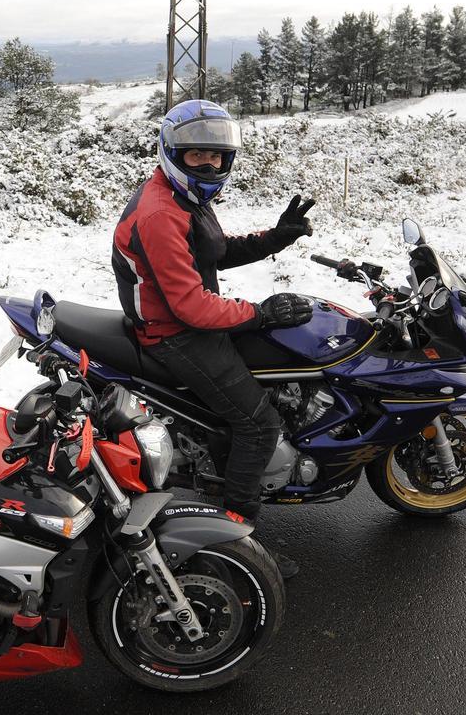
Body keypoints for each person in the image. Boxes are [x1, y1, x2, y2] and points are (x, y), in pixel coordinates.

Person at [112, 99, 315, 578]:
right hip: (175, 332)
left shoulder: (186, 199)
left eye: (217, 156)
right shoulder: (162, 213)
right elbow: (190, 305)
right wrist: (259, 314)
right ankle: (236, 545)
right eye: (196, 155)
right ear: (171, 153)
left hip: (186, 321)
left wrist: (275, 238)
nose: (208, 163)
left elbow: (213, 254)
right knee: (258, 425)